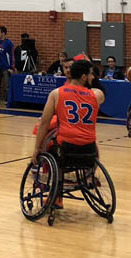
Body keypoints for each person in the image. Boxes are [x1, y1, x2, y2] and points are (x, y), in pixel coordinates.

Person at [31, 59, 105, 191]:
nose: (93, 77)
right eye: (91, 74)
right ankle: (89, 176)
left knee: (50, 144)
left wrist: (37, 149)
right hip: (89, 149)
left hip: (66, 149)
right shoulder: (97, 95)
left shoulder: (57, 93)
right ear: (84, 77)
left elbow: (44, 123)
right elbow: (101, 89)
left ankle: (56, 195)